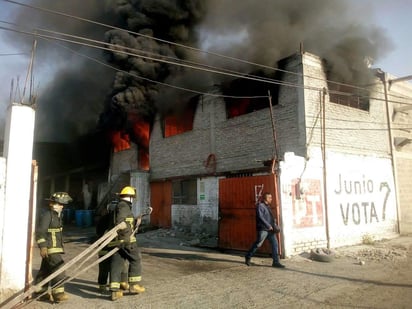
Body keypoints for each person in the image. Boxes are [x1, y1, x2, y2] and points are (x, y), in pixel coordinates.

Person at [34, 192, 73, 303]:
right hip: (50, 248)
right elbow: (40, 232)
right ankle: (58, 293)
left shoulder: (57, 215)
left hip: (55, 247)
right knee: (59, 268)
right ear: (53, 204)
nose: (62, 206)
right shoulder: (48, 215)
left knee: (45, 270)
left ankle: (40, 292)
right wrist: (42, 247)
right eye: (60, 204)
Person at [109, 186, 145, 301]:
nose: (133, 200)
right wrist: (126, 238)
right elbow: (121, 222)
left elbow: (127, 222)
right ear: (129, 197)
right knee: (136, 259)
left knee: (117, 264)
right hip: (126, 240)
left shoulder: (120, 206)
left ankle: (114, 292)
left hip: (117, 241)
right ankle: (134, 285)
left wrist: (136, 221)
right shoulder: (124, 206)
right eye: (132, 197)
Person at [95, 201, 129, 294]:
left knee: (103, 267)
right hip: (113, 247)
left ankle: (102, 286)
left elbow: (98, 232)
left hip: (103, 247)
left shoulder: (103, 219)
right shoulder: (119, 220)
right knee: (120, 265)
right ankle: (122, 283)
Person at [245, 192, 285, 268]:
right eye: (269, 197)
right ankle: (248, 256)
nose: (271, 199)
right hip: (263, 229)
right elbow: (261, 217)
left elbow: (269, 217)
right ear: (265, 198)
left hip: (270, 230)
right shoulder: (260, 206)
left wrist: (274, 224)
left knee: (275, 244)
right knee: (258, 244)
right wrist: (268, 225)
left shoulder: (268, 206)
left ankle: (276, 262)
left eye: (271, 197)